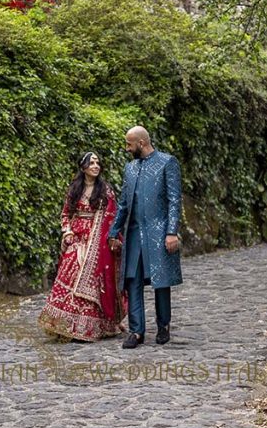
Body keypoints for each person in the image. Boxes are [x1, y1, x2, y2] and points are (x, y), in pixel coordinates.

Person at [38, 151, 127, 341]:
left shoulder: (105, 191)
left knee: (94, 277)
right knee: (71, 269)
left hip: (98, 243)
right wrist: (67, 232)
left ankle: (92, 326)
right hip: (77, 238)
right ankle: (66, 323)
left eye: (97, 163)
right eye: (91, 163)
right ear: (83, 167)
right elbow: (65, 214)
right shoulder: (74, 190)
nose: (96, 166)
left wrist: (110, 238)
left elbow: (113, 217)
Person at [108, 126, 183, 348]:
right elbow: (123, 204)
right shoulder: (130, 168)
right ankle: (137, 331)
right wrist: (114, 231)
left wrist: (171, 232)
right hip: (133, 234)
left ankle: (163, 326)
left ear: (141, 143)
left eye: (129, 144)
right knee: (132, 280)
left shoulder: (167, 162)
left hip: (159, 233)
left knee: (161, 280)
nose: (126, 148)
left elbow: (174, 200)